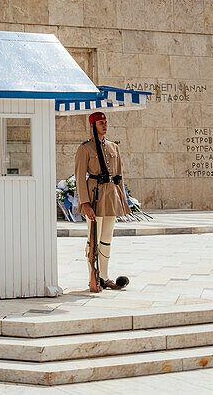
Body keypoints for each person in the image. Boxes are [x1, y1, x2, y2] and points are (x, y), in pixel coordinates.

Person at [74, 111, 130, 292]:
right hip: (95, 196)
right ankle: (93, 277)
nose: (104, 125)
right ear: (93, 126)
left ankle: (104, 277)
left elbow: (119, 176)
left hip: (111, 196)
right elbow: (79, 178)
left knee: (106, 239)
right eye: (100, 123)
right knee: (93, 240)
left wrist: (123, 200)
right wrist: (85, 203)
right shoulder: (85, 149)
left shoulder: (114, 147)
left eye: (105, 122)